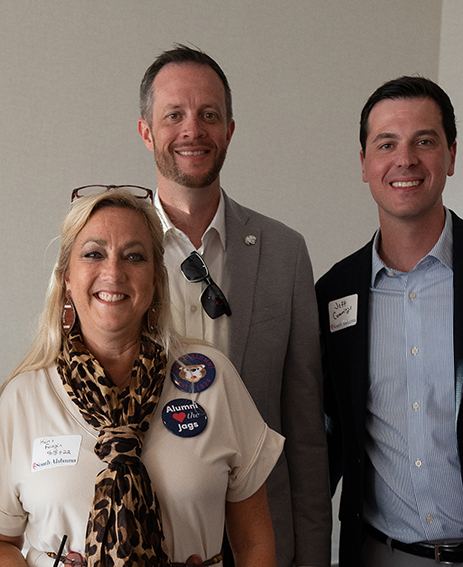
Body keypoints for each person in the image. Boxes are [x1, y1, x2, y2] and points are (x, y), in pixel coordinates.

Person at [0, 187, 283, 566]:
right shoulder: (23, 397)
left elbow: (255, 543)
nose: (113, 272)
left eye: (134, 256)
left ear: (155, 280)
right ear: (66, 276)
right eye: (93, 254)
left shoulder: (211, 380)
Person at [317, 76, 463, 566]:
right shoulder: (334, 292)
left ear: (450, 155)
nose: (405, 159)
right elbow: (327, 437)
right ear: (364, 164)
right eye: (387, 144)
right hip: (381, 555)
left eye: (424, 141)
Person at [137, 45, 331, 567]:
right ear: (146, 132)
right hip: (146, 539)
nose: (192, 130)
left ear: (230, 130)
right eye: (174, 115)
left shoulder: (284, 252)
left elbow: (305, 430)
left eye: (209, 115)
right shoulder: (105, 254)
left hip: (264, 543)